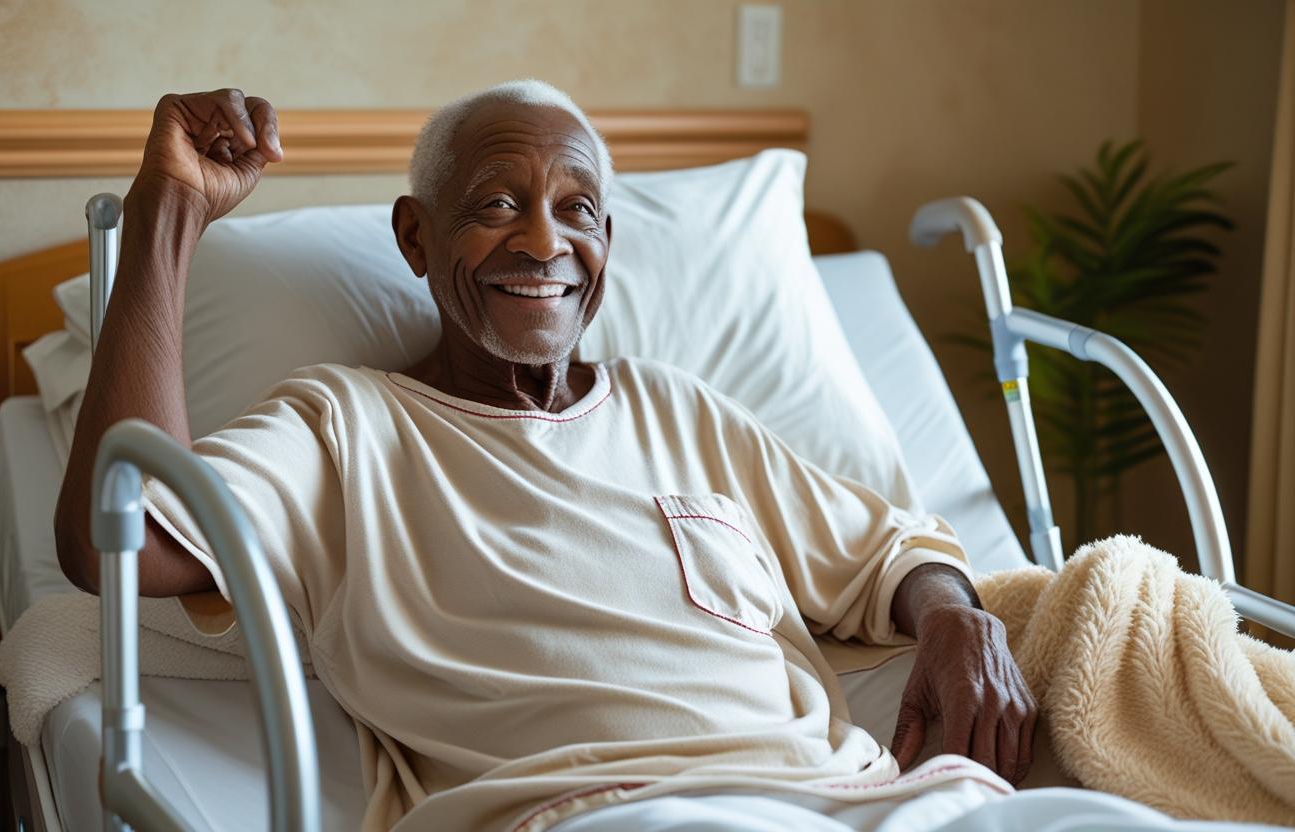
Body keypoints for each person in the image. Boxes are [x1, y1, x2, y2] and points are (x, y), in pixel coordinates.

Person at [53, 81, 1065, 832]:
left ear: (607, 243)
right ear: (415, 234)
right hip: (609, 811)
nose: (543, 242)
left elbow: (886, 547)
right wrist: (165, 216)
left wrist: (956, 618)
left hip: (863, 798)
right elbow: (116, 537)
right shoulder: (346, 426)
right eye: (496, 204)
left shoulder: (678, 409)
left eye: (576, 209)